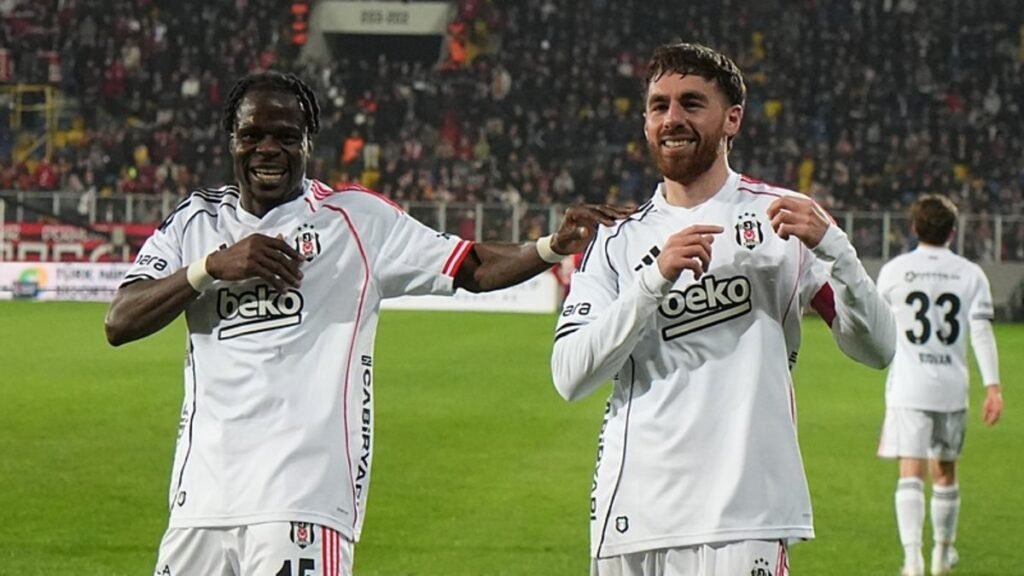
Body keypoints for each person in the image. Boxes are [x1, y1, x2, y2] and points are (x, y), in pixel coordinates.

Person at [103, 70, 628, 576]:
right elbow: (119, 321)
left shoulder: (355, 219)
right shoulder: (195, 222)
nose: (268, 149)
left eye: (286, 136)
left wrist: (552, 246)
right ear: (231, 140)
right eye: (252, 135)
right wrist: (209, 268)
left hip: (304, 502)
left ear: (309, 142)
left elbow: (471, 266)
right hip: (200, 504)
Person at [550, 42, 897, 576]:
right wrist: (653, 281)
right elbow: (569, 376)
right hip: (632, 516)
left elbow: (878, 348)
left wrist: (839, 250)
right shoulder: (615, 241)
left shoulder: (784, 220)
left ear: (732, 119)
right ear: (645, 122)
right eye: (659, 106)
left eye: (691, 103)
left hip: (745, 516)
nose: (672, 118)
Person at [875, 194, 1004, 576]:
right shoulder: (970, 274)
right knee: (945, 471)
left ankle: (912, 559)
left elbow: (876, 325)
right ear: (952, 231)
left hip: (908, 387)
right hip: (951, 388)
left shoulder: (894, 271)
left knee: (911, 471)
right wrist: (993, 387)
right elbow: (981, 332)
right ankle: (942, 555)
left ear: (915, 227)